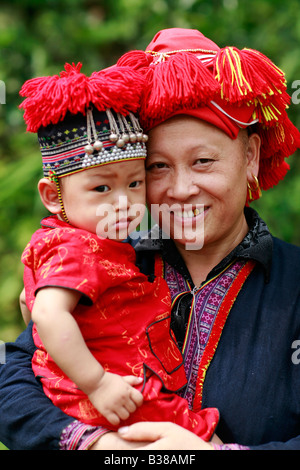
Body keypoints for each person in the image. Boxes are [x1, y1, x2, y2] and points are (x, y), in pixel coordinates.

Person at [0, 27, 300, 451]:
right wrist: (96, 445)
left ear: (250, 156)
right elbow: (12, 381)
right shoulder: (107, 258)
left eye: (203, 161)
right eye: (158, 168)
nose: (180, 189)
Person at [16, 61, 218, 441]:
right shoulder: (78, 245)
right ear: (50, 195)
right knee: (205, 439)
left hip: (118, 384)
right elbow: (44, 312)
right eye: (101, 189)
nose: (123, 202)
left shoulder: (84, 240)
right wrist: (96, 383)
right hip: (119, 389)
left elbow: (31, 306)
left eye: (136, 182)